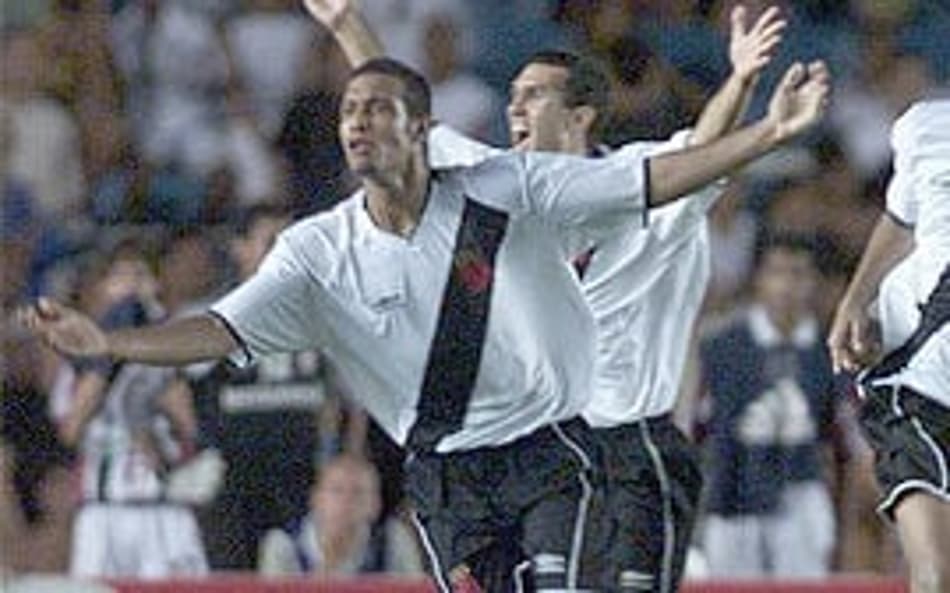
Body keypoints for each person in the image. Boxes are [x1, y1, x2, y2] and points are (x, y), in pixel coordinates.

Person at [18, 53, 828, 592]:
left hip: (550, 451)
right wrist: (111, 343)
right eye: (347, 110)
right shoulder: (318, 250)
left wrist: (772, 131)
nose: (356, 122)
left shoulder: (503, 190)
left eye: (377, 108)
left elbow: (656, 179)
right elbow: (220, 328)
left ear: (421, 130)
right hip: (445, 476)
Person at [303, 1, 791, 590]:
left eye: (533, 95)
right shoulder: (496, 180)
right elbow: (409, 126)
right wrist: (346, 23)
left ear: (581, 115)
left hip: (631, 448)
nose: (514, 108)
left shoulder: (645, 179)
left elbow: (701, 149)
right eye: (511, 96)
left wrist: (741, 80)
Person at [183, 204, 364, 570]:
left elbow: (350, 402)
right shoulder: (210, 319)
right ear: (240, 248)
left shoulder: (324, 316)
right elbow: (175, 393)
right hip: (232, 486)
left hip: (301, 482)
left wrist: (346, 465)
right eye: (269, 242)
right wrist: (196, 449)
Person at [827, 99, 950, 593]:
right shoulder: (927, 126)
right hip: (916, 384)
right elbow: (900, 219)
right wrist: (854, 299)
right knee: (936, 574)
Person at [695, 232, 840, 578]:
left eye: (798, 273)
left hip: (802, 487)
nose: (787, 285)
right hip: (733, 492)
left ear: (814, 282)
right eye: (777, 272)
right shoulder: (721, 348)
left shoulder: (827, 350)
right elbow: (700, 426)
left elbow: (834, 434)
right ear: (758, 278)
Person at [59, 246, 207, 578]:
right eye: (120, 277)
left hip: (162, 507)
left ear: (154, 285)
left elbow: (190, 426)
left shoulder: (179, 346)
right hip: (102, 507)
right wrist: (106, 356)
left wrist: (152, 357)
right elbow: (71, 429)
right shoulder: (76, 357)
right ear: (103, 288)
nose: (130, 287)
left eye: (139, 276)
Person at [258, 454, 423, 576]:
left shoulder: (393, 540)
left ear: (375, 504)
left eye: (359, 492)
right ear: (316, 499)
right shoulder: (283, 544)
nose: (347, 501)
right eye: (337, 491)